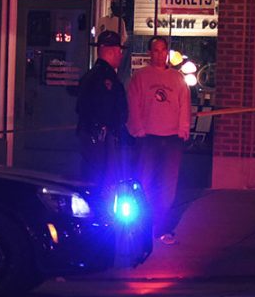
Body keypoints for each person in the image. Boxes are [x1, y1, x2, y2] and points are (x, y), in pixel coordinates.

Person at [127, 36, 191, 245]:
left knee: (167, 186)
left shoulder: (177, 78)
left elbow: (184, 105)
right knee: (144, 182)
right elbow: (133, 104)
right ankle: (141, 226)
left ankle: (162, 227)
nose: (160, 54)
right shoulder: (141, 77)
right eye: (155, 50)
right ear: (149, 53)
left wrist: (183, 129)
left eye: (163, 50)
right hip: (148, 138)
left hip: (172, 138)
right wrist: (137, 128)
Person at [75, 30, 128, 188]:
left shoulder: (94, 75)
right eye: (119, 51)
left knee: (98, 177)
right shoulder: (104, 78)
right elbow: (102, 109)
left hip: (99, 138)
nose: (120, 55)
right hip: (100, 139)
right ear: (112, 51)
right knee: (101, 180)